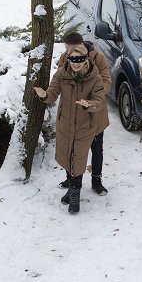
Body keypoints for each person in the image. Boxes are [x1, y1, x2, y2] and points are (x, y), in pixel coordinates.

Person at [34, 44, 108, 214]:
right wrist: (45, 95)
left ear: (85, 60)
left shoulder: (94, 77)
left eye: (80, 60)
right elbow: (53, 92)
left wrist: (88, 104)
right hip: (65, 123)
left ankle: (75, 195)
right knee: (67, 155)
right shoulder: (61, 73)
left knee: (78, 157)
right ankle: (71, 188)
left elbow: (99, 100)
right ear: (69, 59)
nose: (76, 63)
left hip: (85, 124)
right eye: (73, 60)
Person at [57, 32, 111, 195]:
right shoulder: (65, 57)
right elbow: (60, 79)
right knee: (70, 148)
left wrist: (94, 96)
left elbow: (107, 80)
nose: (69, 54)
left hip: (93, 114)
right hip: (71, 114)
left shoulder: (98, 56)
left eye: (72, 50)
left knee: (96, 148)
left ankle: (96, 181)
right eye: (67, 51)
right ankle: (70, 178)